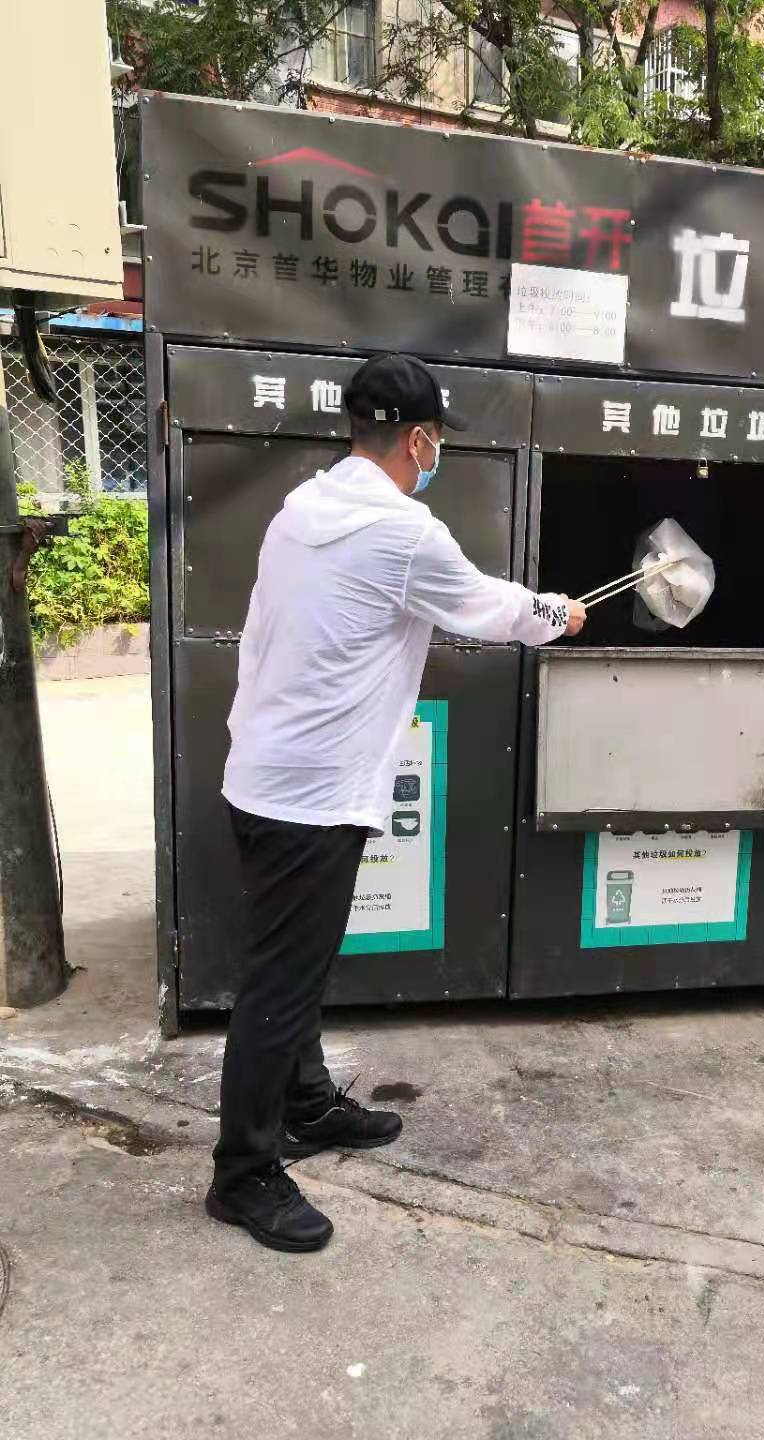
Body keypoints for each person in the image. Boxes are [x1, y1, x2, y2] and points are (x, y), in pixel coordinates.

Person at [205, 353, 585, 1253]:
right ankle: (243, 1174)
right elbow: (489, 609)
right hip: (313, 795)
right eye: (437, 438)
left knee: (295, 965)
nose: (437, 452)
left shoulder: (300, 511)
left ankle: (304, 1104)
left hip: (264, 775)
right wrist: (557, 613)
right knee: (279, 984)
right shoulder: (402, 532)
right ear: (418, 440)